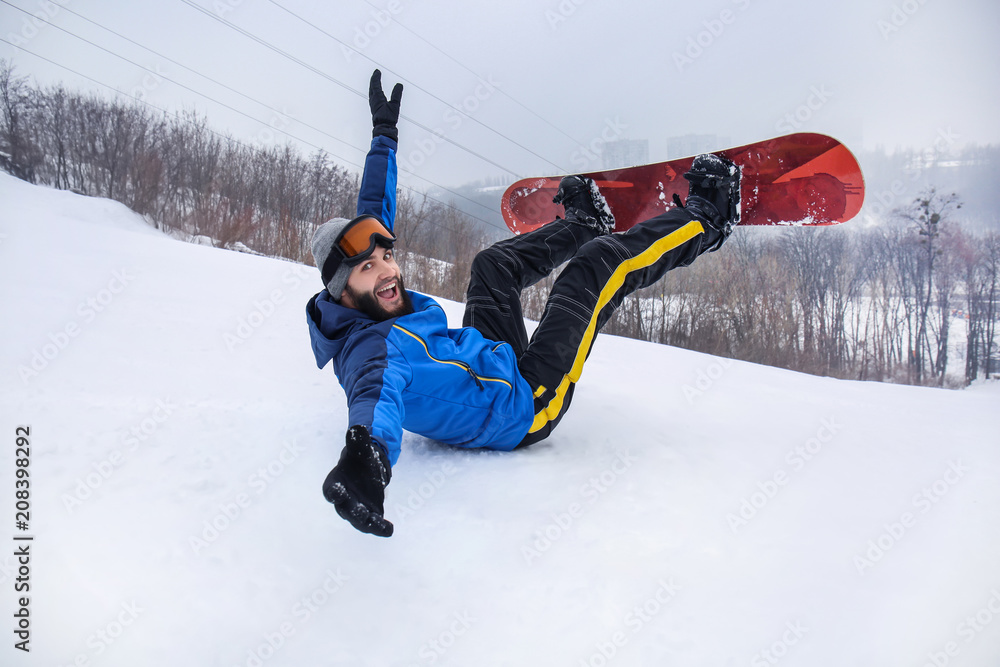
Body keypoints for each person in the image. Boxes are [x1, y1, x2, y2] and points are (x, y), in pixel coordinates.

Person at [306, 70, 741, 537]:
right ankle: (707, 222)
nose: (389, 270)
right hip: (519, 405)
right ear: (340, 289)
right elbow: (374, 400)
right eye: (368, 268)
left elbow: (376, 210)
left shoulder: (364, 301)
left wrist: (383, 137)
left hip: (486, 360)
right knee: (591, 272)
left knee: (491, 265)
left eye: (386, 256)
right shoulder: (368, 354)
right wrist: (364, 461)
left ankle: (585, 224)